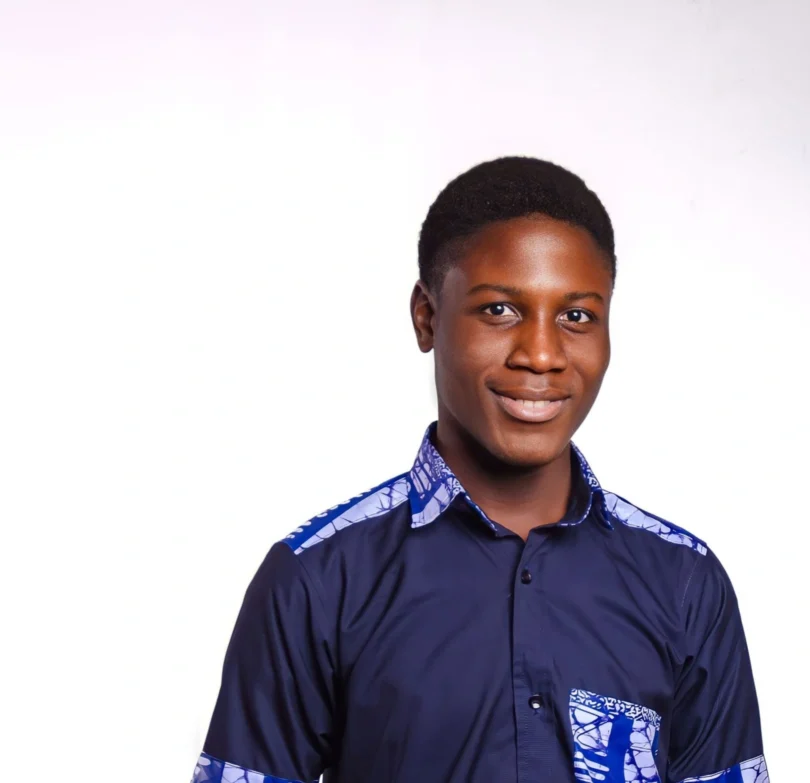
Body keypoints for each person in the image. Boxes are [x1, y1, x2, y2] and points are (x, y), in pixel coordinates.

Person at [192, 157, 768, 783]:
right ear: (427, 316)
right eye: (499, 310)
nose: (541, 355)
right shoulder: (317, 580)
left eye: (576, 316)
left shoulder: (685, 583)